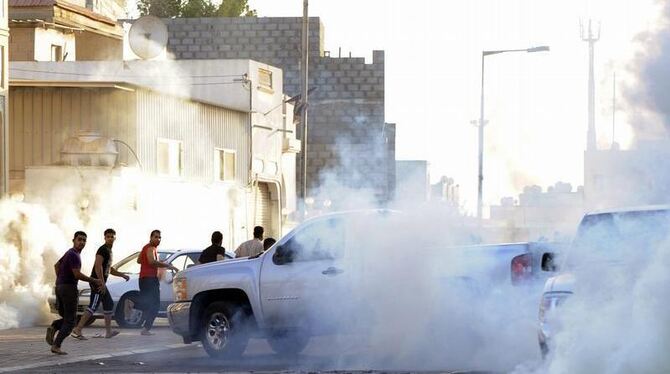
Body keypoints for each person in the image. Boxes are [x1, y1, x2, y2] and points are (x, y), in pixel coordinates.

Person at [46, 231, 103, 355]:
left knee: (67, 317)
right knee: (71, 322)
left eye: (84, 240)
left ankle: (54, 326)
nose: (81, 242)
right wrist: (93, 280)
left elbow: (56, 266)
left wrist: (61, 279)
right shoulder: (74, 255)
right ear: (74, 240)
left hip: (60, 287)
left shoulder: (69, 253)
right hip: (69, 289)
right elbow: (76, 274)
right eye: (79, 239)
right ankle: (56, 345)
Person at [71, 228, 130, 340]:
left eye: (112, 236)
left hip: (101, 282)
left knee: (109, 304)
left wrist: (122, 275)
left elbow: (109, 269)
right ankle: (77, 330)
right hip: (97, 282)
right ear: (104, 238)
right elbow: (98, 266)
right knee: (93, 305)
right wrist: (101, 283)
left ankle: (108, 332)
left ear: (115, 238)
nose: (110, 238)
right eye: (108, 236)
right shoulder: (102, 250)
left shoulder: (109, 251)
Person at [138, 230, 179, 336]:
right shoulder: (151, 248)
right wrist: (168, 265)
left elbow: (139, 260)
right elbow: (151, 262)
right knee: (156, 305)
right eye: (156, 237)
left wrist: (148, 262)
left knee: (147, 303)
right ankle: (146, 329)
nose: (158, 239)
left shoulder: (146, 248)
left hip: (143, 278)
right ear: (150, 237)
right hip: (150, 279)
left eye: (160, 237)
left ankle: (133, 304)